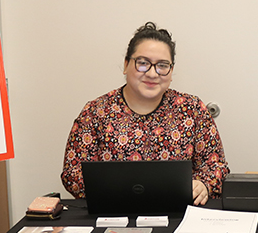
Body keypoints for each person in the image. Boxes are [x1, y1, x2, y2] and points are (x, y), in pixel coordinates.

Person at [61, 22, 230, 205]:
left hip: (179, 214)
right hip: (112, 214)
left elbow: (217, 167)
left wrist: (203, 185)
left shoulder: (193, 109)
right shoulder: (95, 112)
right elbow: (72, 174)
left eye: (162, 65)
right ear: (126, 65)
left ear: (171, 72)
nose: (152, 73)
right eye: (143, 63)